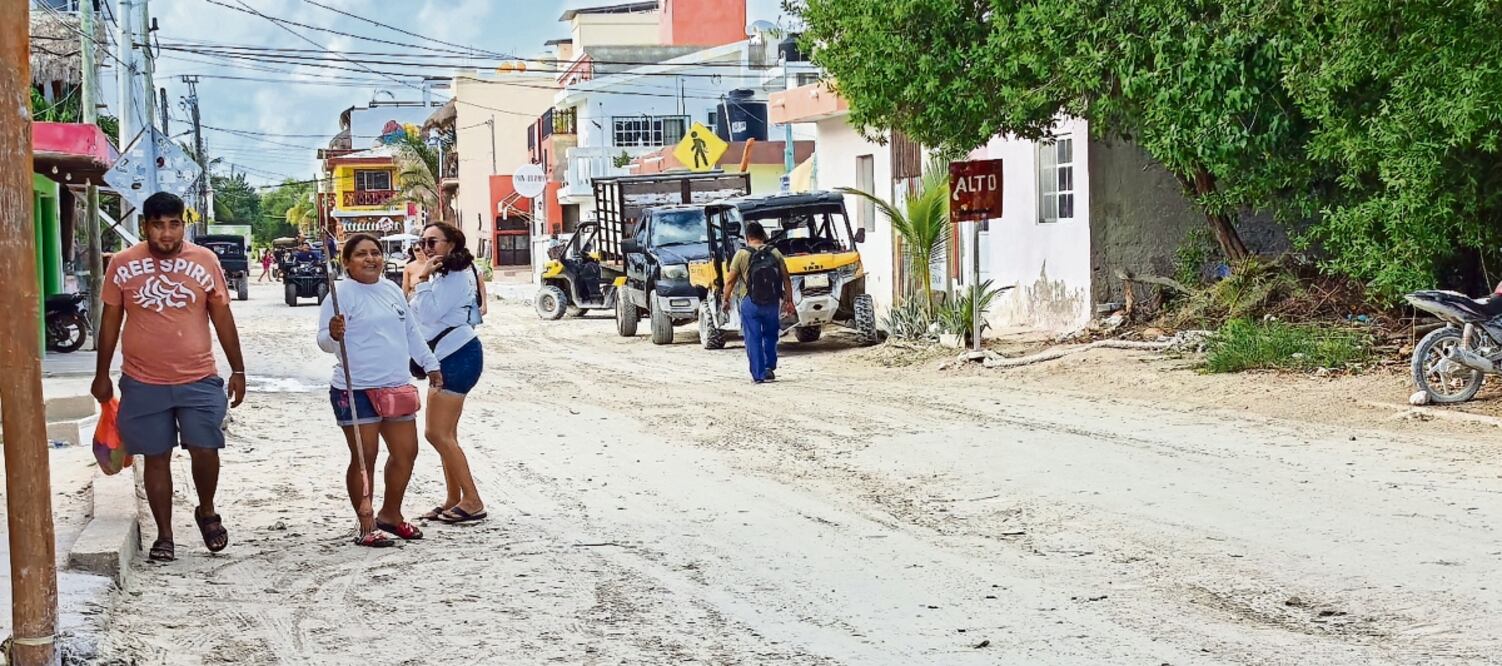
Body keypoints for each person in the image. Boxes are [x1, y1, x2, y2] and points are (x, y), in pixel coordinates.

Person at [92, 192, 247, 562]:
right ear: (145, 226)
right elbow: (110, 320)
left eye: (174, 224)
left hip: (199, 376)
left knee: (205, 448)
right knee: (156, 456)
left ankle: (206, 510)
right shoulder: (123, 264)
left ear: (183, 225)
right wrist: (101, 374)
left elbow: (222, 317)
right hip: (142, 381)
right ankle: (164, 535)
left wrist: (238, 369)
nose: (166, 233)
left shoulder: (205, 260)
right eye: (158, 225)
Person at [318, 233, 443, 547]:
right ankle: (366, 523)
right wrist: (333, 333)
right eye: (361, 254)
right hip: (355, 388)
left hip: (396, 385)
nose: (370, 259)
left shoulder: (391, 290)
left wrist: (430, 364)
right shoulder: (339, 294)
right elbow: (324, 342)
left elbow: (411, 331)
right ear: (347, 262)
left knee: (406, 453)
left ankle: (391, 514)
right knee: (365, 457)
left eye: (375, 252)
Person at [409, 222, 488, 524]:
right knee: (447, 435)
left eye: (433, 242)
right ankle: (454, 498)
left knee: (437, 434)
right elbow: (418, 312)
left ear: (452, 244)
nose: (425, 248)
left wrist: (422, 278)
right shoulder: (446, 274)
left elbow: (429, 313)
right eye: (422, 242)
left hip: (457, 356)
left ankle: (473, 500)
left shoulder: (454, 276)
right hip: (446, 356)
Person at [720, 221, 795, 384]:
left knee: (753, 337)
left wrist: (725, 299)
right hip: (772, 302)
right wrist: (789, 300)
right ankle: (769, 366)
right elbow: (786, 278)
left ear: (747, 237)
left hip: (750, 302)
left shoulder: (741, 254)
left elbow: (730, 281)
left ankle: (759, 375)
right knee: (770, 334)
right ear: (763, 236)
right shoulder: (775, 252)